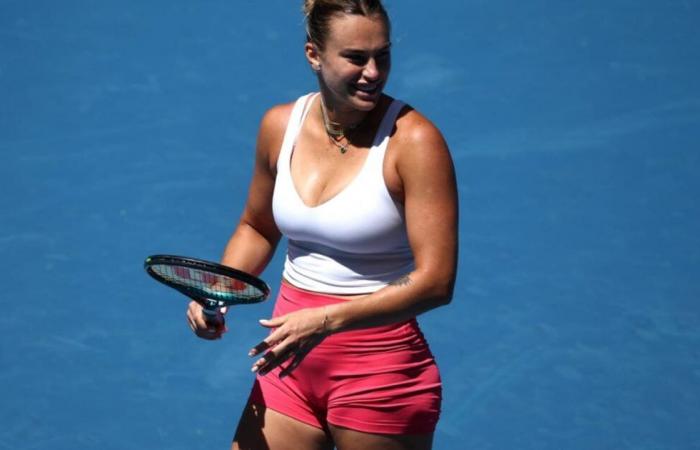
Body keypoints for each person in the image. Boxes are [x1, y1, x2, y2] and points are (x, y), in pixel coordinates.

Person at [185, 1, 458, 448]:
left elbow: (436, 283)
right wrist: (218, 290)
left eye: (382, 55)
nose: (373, 71)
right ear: (314, 54)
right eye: (356, 58)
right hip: (287, 365)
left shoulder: (415, 143)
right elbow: (257, 227)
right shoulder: (279, 126)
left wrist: (326, 321)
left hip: (380, 377)